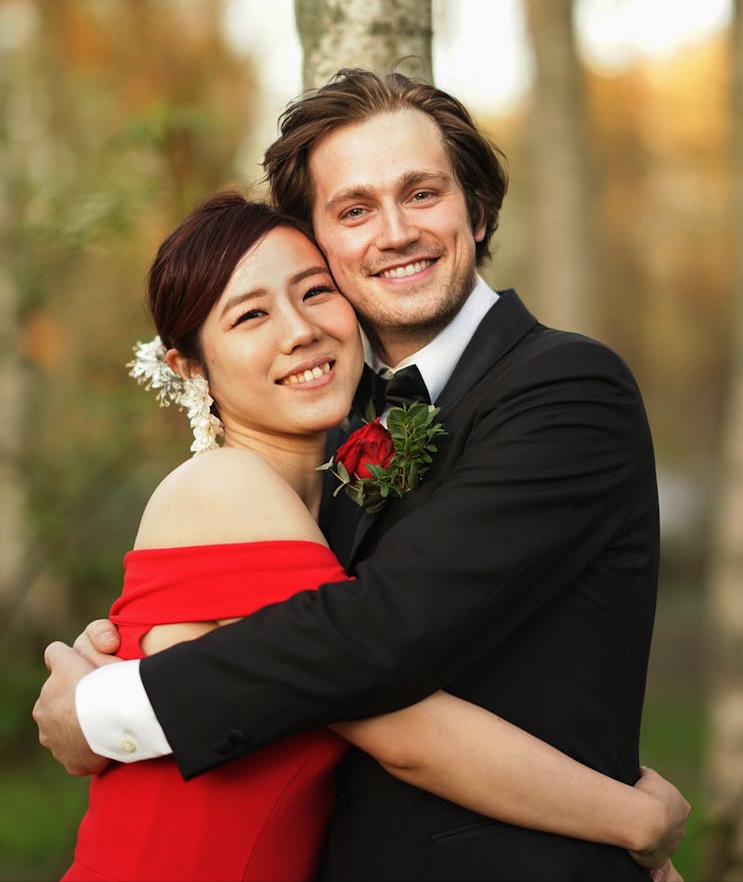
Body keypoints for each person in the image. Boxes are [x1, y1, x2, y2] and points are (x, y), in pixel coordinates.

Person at [35, 71, 687, 882]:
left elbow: (369, 638)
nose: (394, 232)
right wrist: (633, 817)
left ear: (476, 211)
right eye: (353, 209)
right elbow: (346, 662)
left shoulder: (565, 387)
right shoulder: (281, 462)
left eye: (422, 193)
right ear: (324, 237)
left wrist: (108, 707)